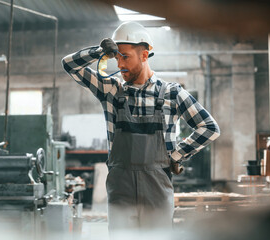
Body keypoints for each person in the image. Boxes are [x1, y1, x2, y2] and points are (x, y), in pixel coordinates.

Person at [62, 22, 220, 230]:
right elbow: (69, 64)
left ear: (144, 56)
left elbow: (209, 127)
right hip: (121, 188)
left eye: (125, 56)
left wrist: (176, 155)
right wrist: (100, 51)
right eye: (117, 57)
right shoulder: (110, 90)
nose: (119, 64)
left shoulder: (171, 93)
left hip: (157, 187)